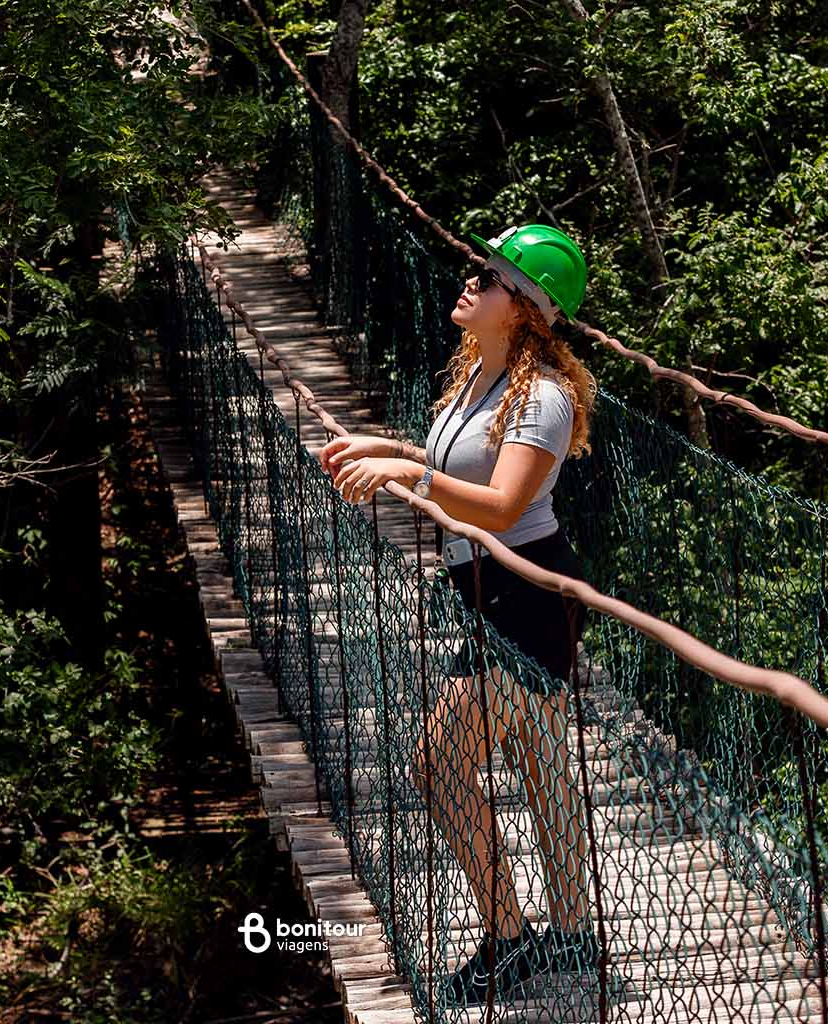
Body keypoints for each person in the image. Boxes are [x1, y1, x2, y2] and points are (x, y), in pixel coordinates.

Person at [318, 224, 599, 1005]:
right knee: (541, 767)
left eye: (492, 275)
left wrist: (404, 467)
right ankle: (574, 934)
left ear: (525, 309)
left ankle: (507, 938)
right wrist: (379, 446)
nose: (471, 281)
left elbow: (505, 505)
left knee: (438, 766)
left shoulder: (541, 396)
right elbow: (459, 470)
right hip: (486, 593)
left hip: (529, 595)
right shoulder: (480, 375)